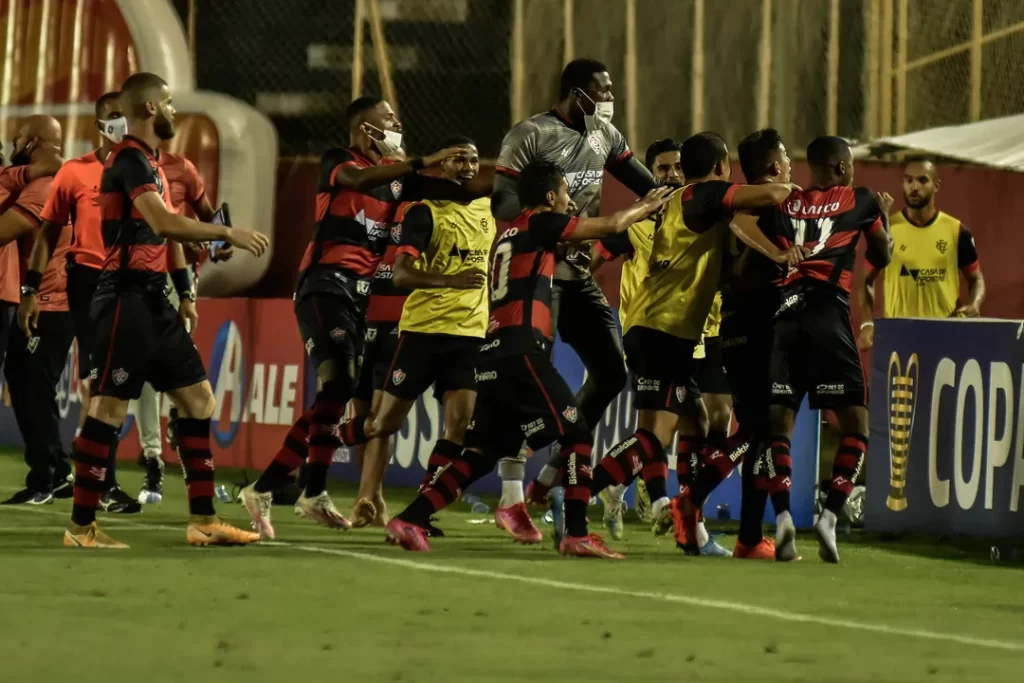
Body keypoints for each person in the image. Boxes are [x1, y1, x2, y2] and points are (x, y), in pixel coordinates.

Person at [384, 161, 671, 557]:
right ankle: (576, 533)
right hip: (519, 351)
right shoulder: (542, 223)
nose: (570, 200)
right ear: (550, 197)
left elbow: (564, 248)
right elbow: (611, 225)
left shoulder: (512, 232)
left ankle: (410, 519)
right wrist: (647, 205)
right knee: (577, 432)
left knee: (482, 454)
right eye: (566, 193)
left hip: (492, 352)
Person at [240, 97, 490, 540]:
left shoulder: (397, 183)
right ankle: (284, 488)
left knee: (334, 396)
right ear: (367, 129)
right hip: (323, 284)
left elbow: (461, 192)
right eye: (388, 118)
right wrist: (424, 160)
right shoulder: (340, 161)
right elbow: (359, 179)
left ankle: (295, 489)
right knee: (339, 388)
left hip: (357, 298)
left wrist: (499, 180)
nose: (397, 123)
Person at [540, 132, 801, 551]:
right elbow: (771, 194)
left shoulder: (684, 203)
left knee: (691, 419)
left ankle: (686, 525)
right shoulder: (702, 194)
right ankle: (580, 493)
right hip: (664, 327)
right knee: (655, 435)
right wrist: (803, 194)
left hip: (661, 327)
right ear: (720, 167)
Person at [53, 71, 268, 548]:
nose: (173, 110)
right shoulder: (130, 159)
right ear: (150, 108)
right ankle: (81, 527)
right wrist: (225, 232)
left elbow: (166, 234)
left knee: (198, 401)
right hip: (124, 297)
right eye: (168, 102)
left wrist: (186, 284)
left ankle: (203, 520)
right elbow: (162, 221)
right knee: (109, 407)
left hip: (153, 298)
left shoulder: (153, 162)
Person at [490, 58, 657, 512]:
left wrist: (677, 194)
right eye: (602, 91)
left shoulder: (605, 134)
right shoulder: (531, 135)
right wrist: (555, 226)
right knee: (529, 382)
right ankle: (510, 495)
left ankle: (548, 478)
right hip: (540, 273)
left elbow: (645, 184)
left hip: (578, 274)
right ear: (577, 94)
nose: (610, 98)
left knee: (612, 372)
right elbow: (502, 203)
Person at [720, 135, 892, 564]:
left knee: (778, 428)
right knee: (856, 424)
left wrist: (778, 253)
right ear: (841, 167)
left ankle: (781, 518)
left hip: (785, 319)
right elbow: (882, 254)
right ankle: (829, 517)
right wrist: (884, 219)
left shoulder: (786, 201)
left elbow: (739, 222)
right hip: (828, 315)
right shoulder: (861, 198)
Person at [339, 136, 499, 536]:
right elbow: (401, 275)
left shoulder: (487, 207)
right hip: (424, 332)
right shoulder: (424, 213)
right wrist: (452, 280)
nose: (467, 167)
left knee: (459, 424)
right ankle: (323, 440)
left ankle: (420, 513)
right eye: (458, 160)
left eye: (473, 160)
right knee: (381, 425)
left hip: (470, 333)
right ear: (440, 167)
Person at [666, 128, 796, 560]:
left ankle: (748, 537)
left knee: (756, 432)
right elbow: (743, 230)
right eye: (786, 159)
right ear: (774, 166)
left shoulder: (733, 203)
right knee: (761, 430)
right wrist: (779, 255)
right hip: (760, 324)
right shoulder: (762, 203)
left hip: (735, 323)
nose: (790, 167)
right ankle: (693, 499)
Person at [19, 93, 142, 514]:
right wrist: (30, 289)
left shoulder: (146, 170)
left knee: (115, 385)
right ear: (98, 124)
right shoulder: (75, 171)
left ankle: (96, 472)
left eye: (126, 116)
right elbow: (47, 235)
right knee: (98, 382)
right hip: (87, 283)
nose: (122, 124)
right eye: (114, 117)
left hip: (132, 282)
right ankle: (100, 482)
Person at [135, 143, 223, 504]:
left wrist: (219, 239)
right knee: (140, 371)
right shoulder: (122, 166)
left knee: (182, 374)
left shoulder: (182, 168)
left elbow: (208, 217)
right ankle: (153, 457)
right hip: (134, 279)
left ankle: (183, 448)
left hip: (176, 276)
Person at [0, 116, 72, 505]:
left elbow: (4, 231)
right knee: (24, 379)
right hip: (41, 300)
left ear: (35, 141)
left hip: (49, 302)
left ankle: (48, 476)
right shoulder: (43, 179)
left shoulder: (46, 187)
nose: (14, 144)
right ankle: (54, 470)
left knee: (33, 385)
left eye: (20, 138)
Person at [858, 156, 984, 350]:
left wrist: (974, 303)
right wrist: (867, 323)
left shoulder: (957, 231)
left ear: (936, 185)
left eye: (922, 180)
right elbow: (866, 281)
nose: (914, 187)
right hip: (899, 339)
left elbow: (976, 279)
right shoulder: (887, 231)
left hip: (946, 339)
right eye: (909, 180)